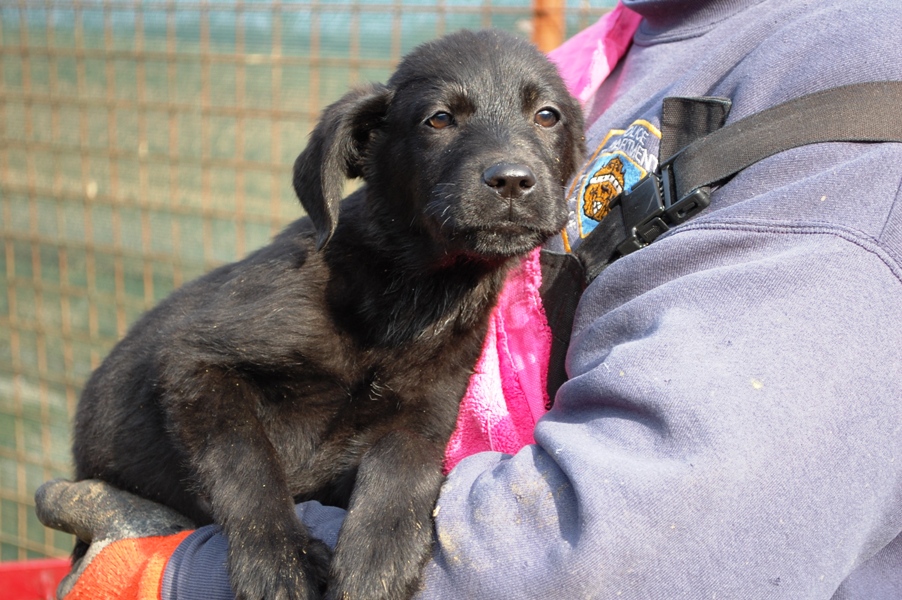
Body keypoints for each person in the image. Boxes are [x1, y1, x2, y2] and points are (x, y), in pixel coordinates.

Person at [36, 0, 902, 597]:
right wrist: (260, 537)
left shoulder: (843, 90)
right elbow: (198, 371)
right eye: (443, 121)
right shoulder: (616, 50)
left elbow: (633, 552)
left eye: (545, 122)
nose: (514, 163)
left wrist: (185, 576)